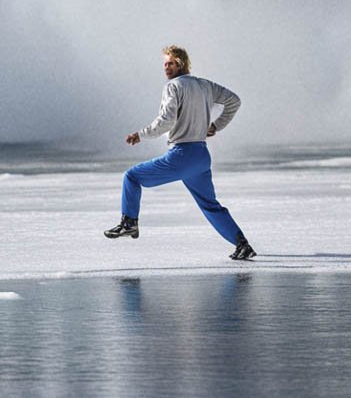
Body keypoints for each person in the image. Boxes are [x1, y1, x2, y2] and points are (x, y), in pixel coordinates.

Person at [104, 45, 256, 261]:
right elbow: (234, 100)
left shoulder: (173, 86)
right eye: (165, 64)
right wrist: (216, 125)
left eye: (170, 63)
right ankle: (243, 245)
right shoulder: (205, 86)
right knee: (210, 205)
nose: (166, 68)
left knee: (132, 177)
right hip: (201, 156)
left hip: (182, 155)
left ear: (181, 63)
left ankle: (129, 223)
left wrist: (141, 135)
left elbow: (166, 121)